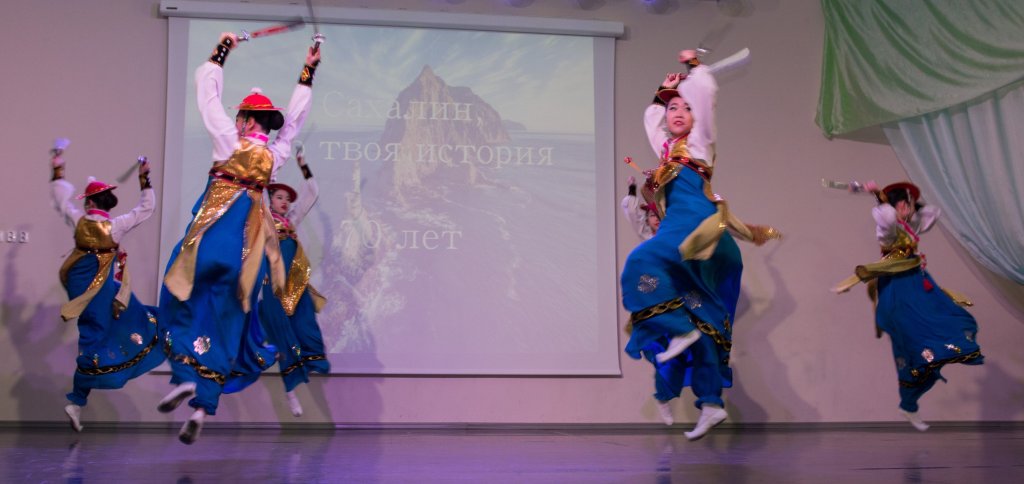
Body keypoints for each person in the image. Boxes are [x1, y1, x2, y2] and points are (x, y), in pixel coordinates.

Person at [157, 31, 321, 444]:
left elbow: (206, 94)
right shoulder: (275, 156)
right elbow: (295, 122)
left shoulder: (227, 142)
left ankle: (184, 375)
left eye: (241, 118)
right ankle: (203, 405)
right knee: (229, 319)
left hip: (211, 240)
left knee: (178, 295)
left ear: (246, 121)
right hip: (245, 254)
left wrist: (222, 49)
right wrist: (308, 70)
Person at [620, 47, 778, 440]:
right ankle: (710, 403)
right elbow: (652, 120)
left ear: (697, 117)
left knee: (640, 264)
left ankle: (677, 331)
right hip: (702, 243)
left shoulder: (701, 142)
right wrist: (663, 91)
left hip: (695, 231)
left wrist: (695, 67)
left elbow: (705, 94)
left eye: (685, 108)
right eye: (672, 107)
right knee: (703, 322)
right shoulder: (667, 152)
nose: (677, 112)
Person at [834, 181, 983, 431]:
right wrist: (878, 196)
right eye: (903, 203)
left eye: (910, 203)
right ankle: (909, 403)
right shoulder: (888, 229)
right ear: (893, 206)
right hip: (898, 286)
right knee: (912, 348)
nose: (908, 208)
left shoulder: (909, 225)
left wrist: (910, 203)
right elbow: (886, 218)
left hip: (918, 283)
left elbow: (933, 213)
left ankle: (911, 401)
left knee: (954, 325)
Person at [50, 151, 164, 433]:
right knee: (96, 334)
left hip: (83, 285)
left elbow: (61, 200)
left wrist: (58, 170)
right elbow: (146, 209)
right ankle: (77, 398)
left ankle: (78, 399)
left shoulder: (79, 220)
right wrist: (144, 178)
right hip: (95, 287)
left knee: (123, 312)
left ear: (89, 203)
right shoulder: (115, 225)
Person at [258, 147, 330, 417]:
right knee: (283, 336)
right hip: (274, 286)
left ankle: (312, 360)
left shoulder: (291, 220)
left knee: (306, 319)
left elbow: (312, 191)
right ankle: (290, 392)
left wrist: (302, 164)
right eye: (279, 197)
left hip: (295, 283)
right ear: (270, 199)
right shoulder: (263, 221)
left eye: (287, 199)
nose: (285, 202)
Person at [621, 175, 660, 240]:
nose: (657, 219)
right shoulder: (648, 238)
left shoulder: (674, 235)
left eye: (660, 215)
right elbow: (632, 214)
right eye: (653, 215)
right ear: (647, 221)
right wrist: (632, 189)